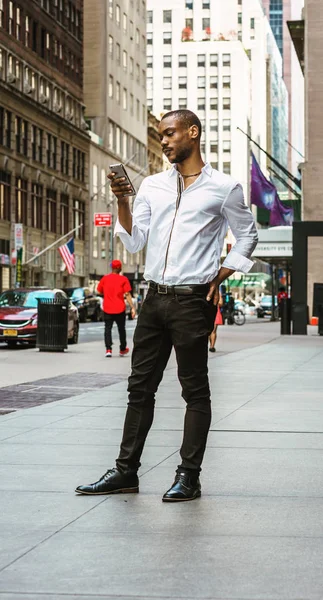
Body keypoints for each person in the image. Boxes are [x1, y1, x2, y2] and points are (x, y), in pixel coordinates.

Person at [76, 109, 258, 502]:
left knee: (194, 390)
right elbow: (134, 240)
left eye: (171, 133)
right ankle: (126, 472)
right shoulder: (153, 186)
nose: (164, 141)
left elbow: (247, 236)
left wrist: (221, 274)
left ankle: (188, 475)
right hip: (154, 300)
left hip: (194, 300)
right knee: (139, 388)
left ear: (194, 132)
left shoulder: (224, 188)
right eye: (161, 135)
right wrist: (124, 200)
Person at [97, 259, 136, 358]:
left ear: (112, 267)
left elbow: (99, 291)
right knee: (121, 329)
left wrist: (107, 293)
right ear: (119, 268)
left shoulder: (105, 279)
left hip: (107, 308)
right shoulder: (123, 279)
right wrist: (132, 307)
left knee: (107, 329)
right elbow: (127, 294)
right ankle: (122, 349)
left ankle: (108, 349)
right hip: (120, 308)